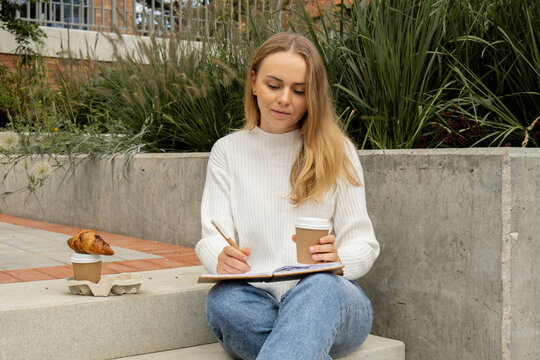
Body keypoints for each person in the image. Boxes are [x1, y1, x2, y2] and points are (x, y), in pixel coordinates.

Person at [195, 32, 380, 360]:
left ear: (314, 96)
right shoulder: (227, 152)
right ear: (253, 82)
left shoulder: (339, 151)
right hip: (255, 301)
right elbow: (212, 236)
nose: (284, 99)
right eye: (273, 85)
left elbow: (364, 245)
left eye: (299, 90)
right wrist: (219, 255)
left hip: (332, 302)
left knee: (318, 288)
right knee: (222, 302)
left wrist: (339, 261)